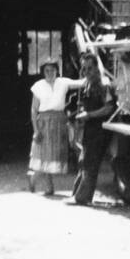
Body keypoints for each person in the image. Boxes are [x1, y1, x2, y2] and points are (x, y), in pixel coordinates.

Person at [28, 58, 84, 195]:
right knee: (44, 155)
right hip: (43, 123)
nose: (49, 73)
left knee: (53, 156)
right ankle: (35, 179)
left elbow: (82, 82)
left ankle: (47, 185)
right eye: (46, 70)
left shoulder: (63, 82)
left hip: (59, 122)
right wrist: (35, 131)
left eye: (52, 70)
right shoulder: (38, 86)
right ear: (43, 72)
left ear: (57, 71)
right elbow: (34, 110)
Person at [71, 52, 117, 205]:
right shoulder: (87, 84)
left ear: (97, 68)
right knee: (84, 160)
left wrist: (89, 115)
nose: (86, 72)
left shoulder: (104, 85)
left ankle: (82, 197)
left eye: (89, 69)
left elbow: (108, 108)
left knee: (90, 162)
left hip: (100, 129)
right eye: (84, 69)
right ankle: (78, 194)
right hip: (89, 128)